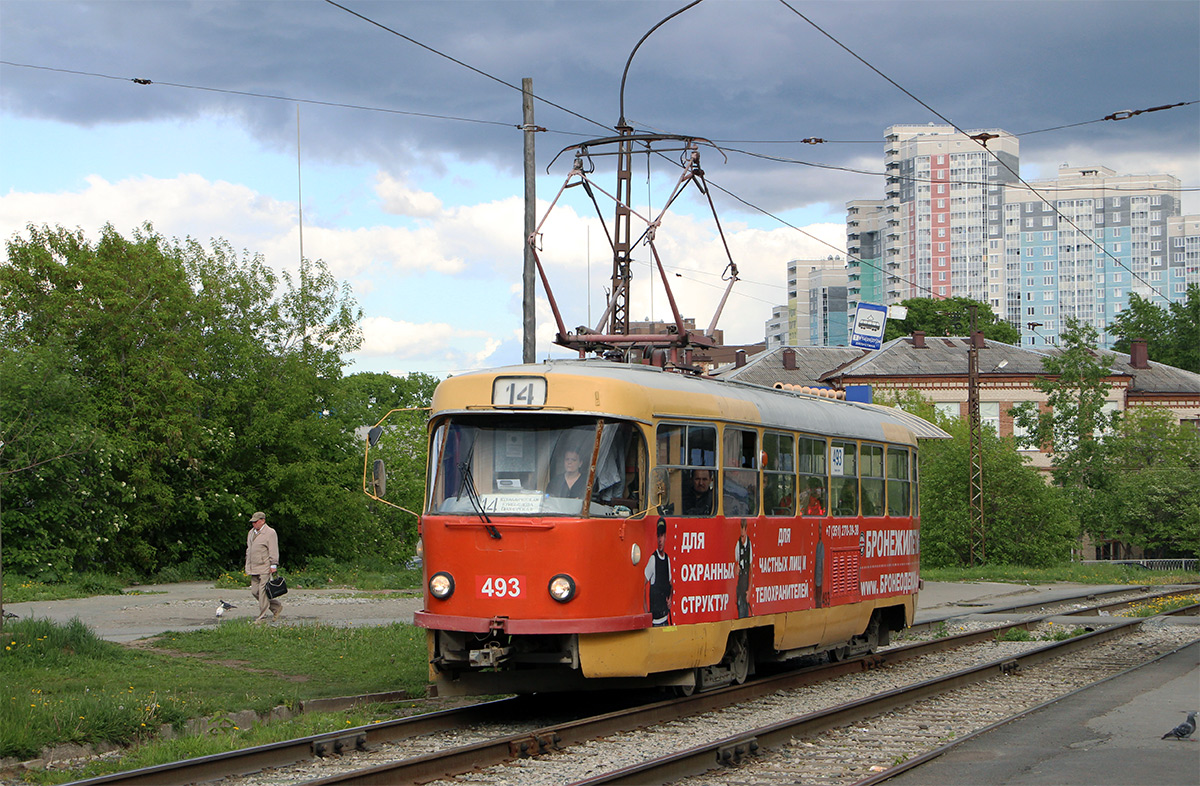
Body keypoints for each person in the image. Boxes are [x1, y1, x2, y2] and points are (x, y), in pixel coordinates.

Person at [244, 511, 282, 623]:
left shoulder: (270, 532)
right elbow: (249, 549)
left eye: (256, 522)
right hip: (253, 566)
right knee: (254, 591)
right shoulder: (251, 533)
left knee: (262, 592)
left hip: (264, 566)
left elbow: (273, 549)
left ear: (263, 521)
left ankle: (262, 617)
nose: (254, 524)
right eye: (253, 522)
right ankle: (276, 607)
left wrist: (273, 564)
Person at [644, 518, 672, 626]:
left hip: (666, 620)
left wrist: (670, 598)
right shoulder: (653, 560)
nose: (660, 540)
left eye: (662, 536)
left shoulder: (667, 560)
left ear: (665, 537)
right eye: (658, 536)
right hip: (655, 623)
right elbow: (641, 585)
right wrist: (646, 613)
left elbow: (671, 584)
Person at [734, 519, 753, 618]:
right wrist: (735, 567)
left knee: (745, 613)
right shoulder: (738, 545)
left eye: (743, 536)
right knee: (741, 611)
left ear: (746, 530)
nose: (741, 539)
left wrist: (749, 591)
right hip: (740, 588)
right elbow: (735, 564)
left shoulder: (749, 546)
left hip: (746, 588)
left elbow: (751, 571)